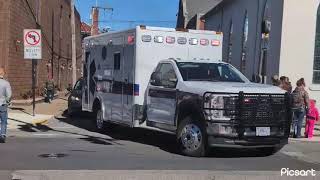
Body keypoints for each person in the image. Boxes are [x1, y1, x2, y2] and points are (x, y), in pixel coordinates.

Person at [0, 68, 12, 143]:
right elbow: (9, 95)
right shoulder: (6, 83)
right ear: (3, 74)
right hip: (3, 104)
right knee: (3, 121)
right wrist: (8, 101)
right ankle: (2, 135)